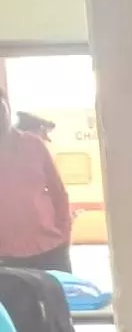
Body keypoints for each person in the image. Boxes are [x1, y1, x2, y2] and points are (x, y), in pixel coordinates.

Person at [0, 88, 72, 272]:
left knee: (59, 291)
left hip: (49, 250)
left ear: (7, 108)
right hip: (5, 260)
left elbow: (59, 193)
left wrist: (63, 234)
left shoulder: (34, 145)